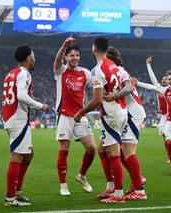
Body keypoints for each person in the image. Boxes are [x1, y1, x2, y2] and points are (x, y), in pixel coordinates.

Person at [74, 37, 127, 203]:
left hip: (111, 114)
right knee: (102, 150)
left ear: (94, 48)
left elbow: (97, 100)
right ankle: (111, 187)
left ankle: (118, 194)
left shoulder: (98, 69)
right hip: (120, 110)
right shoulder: (113, 65)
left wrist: (80, 113)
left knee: (114, 154)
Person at [2, 44, 50, 206]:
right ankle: (10, 198)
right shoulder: (24, 73)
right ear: (29, 58)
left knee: (29, 154)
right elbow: (21, 95)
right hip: (17, 119)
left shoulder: (11, 73)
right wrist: (40, 105)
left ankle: (17, 191)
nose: (35, 59)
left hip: (12, 118)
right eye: (34, 56)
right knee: (17, 156)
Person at [100, 47, 147, 201]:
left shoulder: (118, 70)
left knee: (127, 151)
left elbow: (127, 87)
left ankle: (139, 189)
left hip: (132, 112)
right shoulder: (112, 70)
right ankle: (133, 181)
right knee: (106, 148)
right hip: (126, 112)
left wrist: (115, 96)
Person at [53, 37, 96, 196]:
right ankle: (63, 185)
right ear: (66, 57)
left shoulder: (85, 73)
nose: (75, 58)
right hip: (64, 115)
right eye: (71, 55)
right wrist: (64, 45)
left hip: (80, 116)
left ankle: (81, 176)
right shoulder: (61, 71)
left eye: (77, 55)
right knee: (64, 148)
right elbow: (57, 60)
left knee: (91, 148)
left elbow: (97, 82)